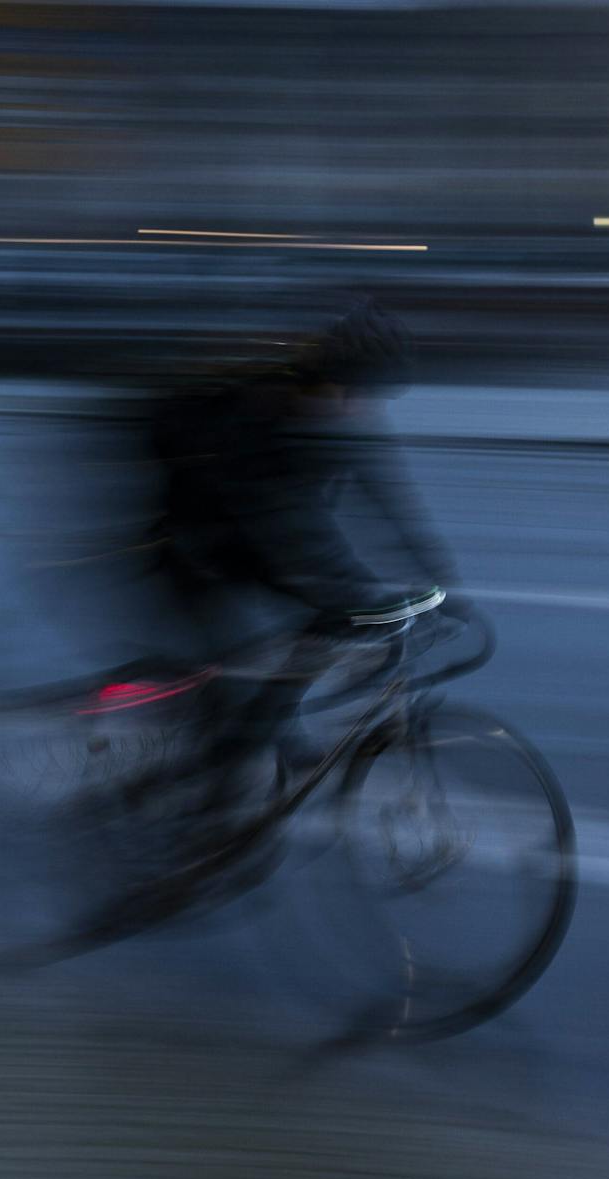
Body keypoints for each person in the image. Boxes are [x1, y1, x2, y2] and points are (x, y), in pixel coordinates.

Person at [145, 298, 457, 849]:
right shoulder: (268, 412)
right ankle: (209, 803)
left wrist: (442, 582)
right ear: (335, 376)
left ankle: (267, 728)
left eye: (373, 396)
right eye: (359, 391)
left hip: (257, 543)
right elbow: (279, 526)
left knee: (328, 623)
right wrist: (351, 591)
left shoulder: (346, 414)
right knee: (232, 662)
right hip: (194, 542)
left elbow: (388, 499)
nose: (363, 406)